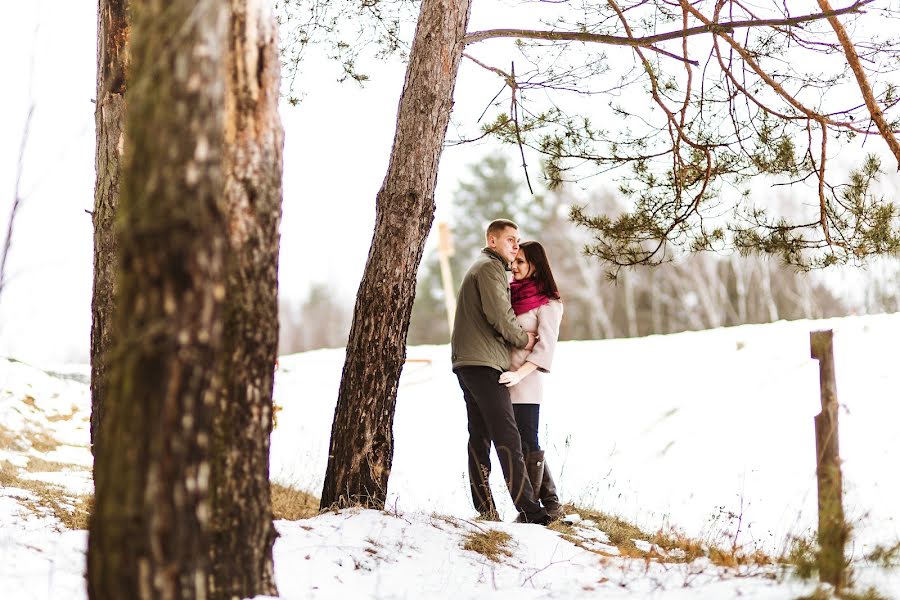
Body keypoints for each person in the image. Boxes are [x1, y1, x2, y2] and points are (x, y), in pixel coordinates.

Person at [451, 219, 552, 525]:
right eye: (510, 240)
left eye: (517, 240)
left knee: (479, 436)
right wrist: (526, 339)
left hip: (469, 361)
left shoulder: (485, 267)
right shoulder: (490, 268)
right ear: (492, 241)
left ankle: (485, 510)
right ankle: (533, 512)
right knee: (507, 435)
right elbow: (501, 317)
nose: (515, 246)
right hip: (482, 364)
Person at [499, 241, 565, 520]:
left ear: (535, 266)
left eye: (521, 262)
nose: (514, 267)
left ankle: (531, 511)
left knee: (528, 441)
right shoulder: (509, 295)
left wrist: (519, 374)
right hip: (502, 377)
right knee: (520, 443)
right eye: (513, 261)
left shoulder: (549, 304)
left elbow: (545, 348)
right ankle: (551, 503)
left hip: (525, 381)